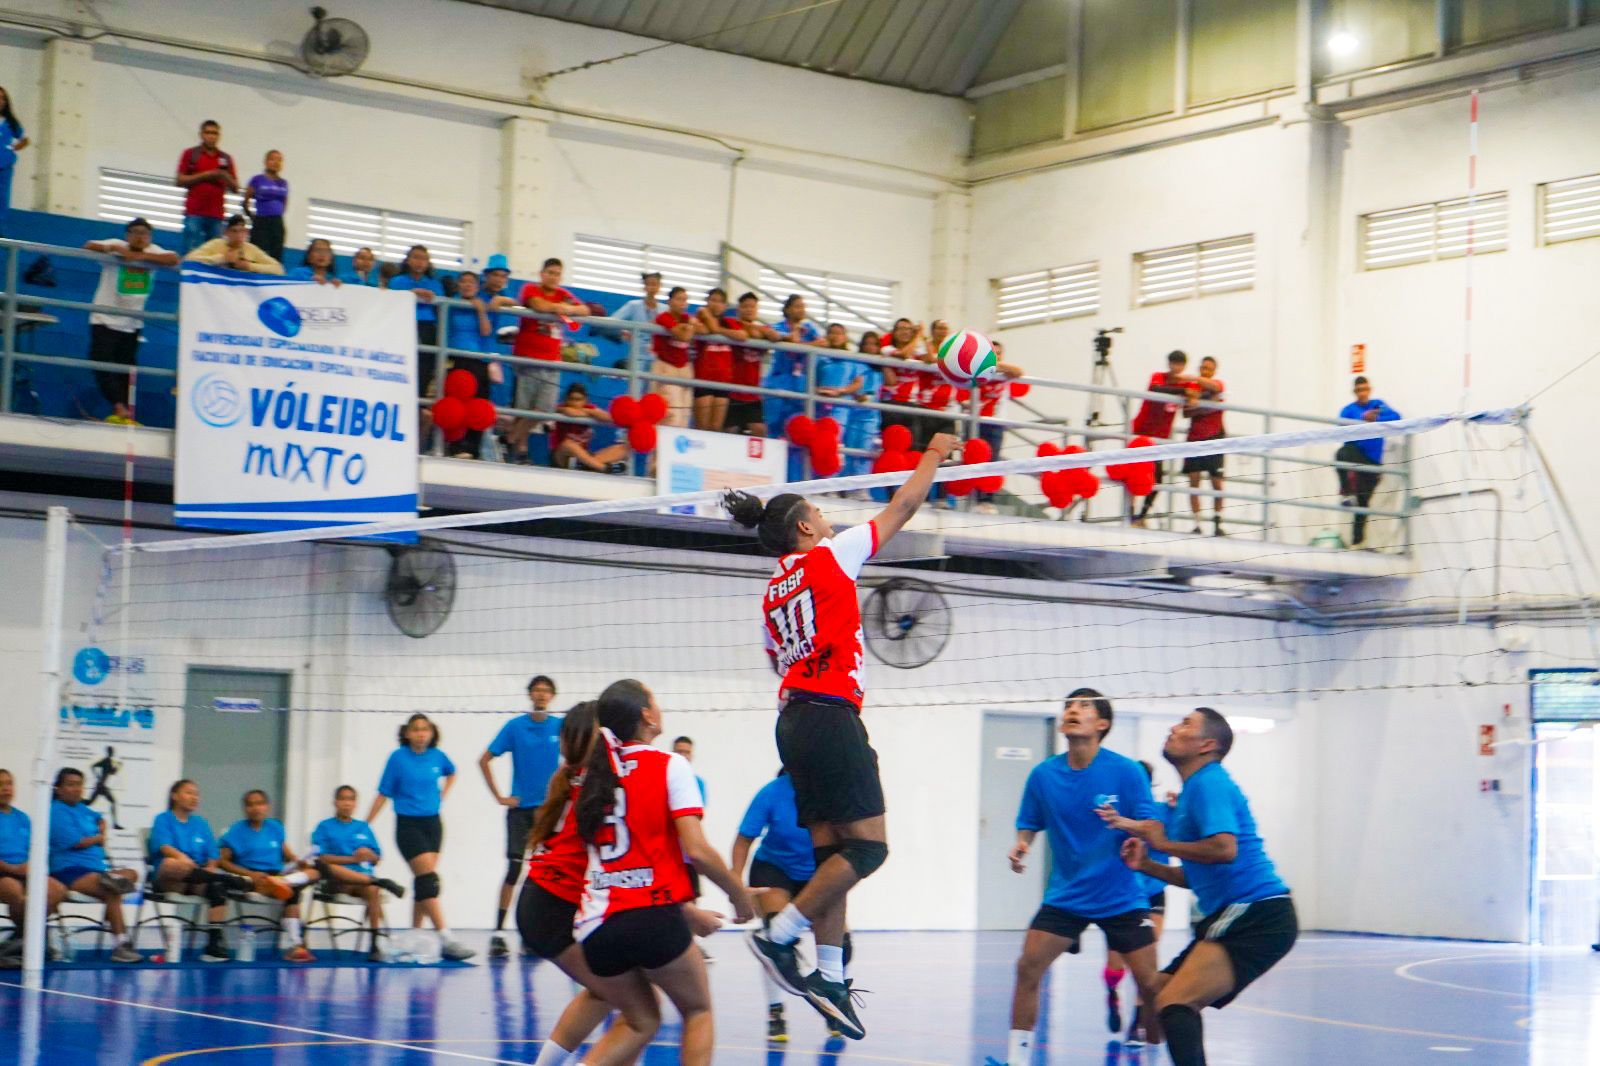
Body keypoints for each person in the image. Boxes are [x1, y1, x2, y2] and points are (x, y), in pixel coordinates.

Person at [730, 428, 963, 1040]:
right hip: (830, 714)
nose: (829, 520)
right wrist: (935, 452)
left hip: (794, 720)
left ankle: (830, 976)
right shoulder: (830, 555)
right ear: (805, 528)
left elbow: (778, 664)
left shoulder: (772, 591)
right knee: (868, 849)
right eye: (821, 514)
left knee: (833, 857)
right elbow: (904, 507)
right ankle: (779, 937)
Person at [570, 678, 755, 1066]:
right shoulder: (671, 766)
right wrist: (738, 892)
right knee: (698, 1011)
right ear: (647, 715)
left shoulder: (590, 777)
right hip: (650, 917)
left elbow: (621, 869)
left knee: (642, 1020)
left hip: (596, 927)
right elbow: (697, 851)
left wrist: (688, 913)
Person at [1099, 709, 1297, 1066]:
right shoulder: (1194, 790)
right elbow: (1198, 876)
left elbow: (1224, 849)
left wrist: (1165, 842)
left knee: (1176, 1003)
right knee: (1158, 991)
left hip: (1256, 913)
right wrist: (1147, 865)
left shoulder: (1209, 783)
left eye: (1186, 725)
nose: (1174, 728)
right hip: (1244, 913)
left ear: (1207, 745)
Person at [1001, 688, 1164, 1066]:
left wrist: (1126, 824)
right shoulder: (1043, 775)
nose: (1072, 710)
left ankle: (1155, 1054)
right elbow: (1029, 824)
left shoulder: (1126, 772)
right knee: (1027, 967)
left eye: (1083, 706)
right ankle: (1017, 1060)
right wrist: (1021, 845)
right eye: (1068, 706)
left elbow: (1151, 826)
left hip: (1121, 896)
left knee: (1152, 987)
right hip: (1066, 897)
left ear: (1102, 724)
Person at [731, 769, 854, 1043]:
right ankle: (775, 1011)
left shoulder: (836, 791)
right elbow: (744, 839)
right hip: (775, 870)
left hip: (818, 874)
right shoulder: (773, 792)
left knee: (842, 946)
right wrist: (736, 886)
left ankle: (833, 1000)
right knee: (777, 944)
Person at [367, 712, 474, 960]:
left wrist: (444, 793)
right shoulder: (397, 758)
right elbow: (383, 793)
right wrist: (365, 823)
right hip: (408, 825)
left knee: (423, 882)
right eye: (415, 729)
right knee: (429, 881)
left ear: (432, 732)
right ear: (407, 733)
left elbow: (452, 771)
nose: (421, 734)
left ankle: (415, 934)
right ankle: (446, 936)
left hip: (433, 824)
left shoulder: (438, 757)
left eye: (425, 729)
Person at [478, 674, 563, 959]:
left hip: (548, 812)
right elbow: (484, 759)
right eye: (537, 691)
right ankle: (499, 934)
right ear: (530, 695)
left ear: (552, 696)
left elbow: (578, 758)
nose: (541, 695)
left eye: (546, 691)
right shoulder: (515, 727)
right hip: (521, 811)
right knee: (514, 870)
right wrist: (500, 796)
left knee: (544, 875)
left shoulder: (559, 727)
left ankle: (532, 935)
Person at [82, 219, 178, 426]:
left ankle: (124, 413)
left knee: (126, 369)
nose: (139, 237)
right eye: (135, 232)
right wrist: (114, 249)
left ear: (150, 237)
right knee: (100, 360)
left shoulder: (153, 251)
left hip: (132, 323)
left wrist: (141, 257)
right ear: (127, 235)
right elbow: (88, 246)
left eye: (144, 233)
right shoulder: (117, 245)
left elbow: (173, 259)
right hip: (104, 318)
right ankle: (118, 406)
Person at [148, 778, 253, 963]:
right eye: (189, 792)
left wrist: (211, 868)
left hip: (197, 879)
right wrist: (184, 859)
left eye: (196, 794)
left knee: (217, 885)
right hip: (171, 881)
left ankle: (213, 947)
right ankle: (230, 879)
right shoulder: (163, 819)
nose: (194, 797)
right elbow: (164, 847)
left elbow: (213, 856)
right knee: (170, 863)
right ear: (175, 796)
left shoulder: (201, 823)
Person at [1110, 761, 1177, 1046]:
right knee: (1114, 967)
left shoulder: (1164, 814)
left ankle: (1137, 1022)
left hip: (1153, 895)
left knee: (1147, 960)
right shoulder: (1114, 816)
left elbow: (1191, 824)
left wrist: (1182, 804)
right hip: (1121, 898)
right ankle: (1110, 993)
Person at [47, 768, 142, 962]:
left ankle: (115, 885)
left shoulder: (82, 809)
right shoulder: (55, 811)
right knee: (111, 889)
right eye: (71, 784)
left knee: (131, 873)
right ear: (59, 788)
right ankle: (121, 944)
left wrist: (101, 827)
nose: (76, 789)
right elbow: (78, 841)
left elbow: (99, 818)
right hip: (69, 871)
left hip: (97, 870)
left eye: (79, 784)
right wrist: (98, 837)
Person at [218, 789, 319, 962]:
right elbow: (222, 862)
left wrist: (299, 861)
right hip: (251, 876)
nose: (255, 808)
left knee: (315, 872)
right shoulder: (235, 831)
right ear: (245, 808)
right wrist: (250, 874)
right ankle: (296, 944)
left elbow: (287, 854)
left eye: (259, 804)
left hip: (278, 875)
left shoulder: (275, 827)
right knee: (292, 892)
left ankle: (283, 882)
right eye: (250, 805)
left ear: (267, 807)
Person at [312, 785, 406, 962]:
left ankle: (374, 943)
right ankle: (379, 881)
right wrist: (352, 859)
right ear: (335, 802)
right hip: (338, 881)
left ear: (355, 804)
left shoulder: (363, 827)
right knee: (329, 868)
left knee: (372, 891)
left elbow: (377, 858)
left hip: (363, 882)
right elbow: (321, 858)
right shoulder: (324, 826)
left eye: (350, 800)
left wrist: (369, 856)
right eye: (343, 799)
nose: (346, 804)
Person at [507, 258, 587, 462]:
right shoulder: (530, 289)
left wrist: (568, 309)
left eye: (557, 273)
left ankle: (510, 439)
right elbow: (537, 305)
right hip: (528, 359)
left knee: (544, 410)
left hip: (552, 361)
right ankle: (519, 448)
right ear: (541, 274)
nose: (553, 277)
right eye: (549, 272)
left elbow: (584, 310)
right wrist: (556, 308)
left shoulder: (563, 295)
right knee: (524, 409)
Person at [442, 269, 506, 459]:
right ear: (459, 285)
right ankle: (455, 446)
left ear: (477, 286)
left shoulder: (483, 303)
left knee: (479, 402)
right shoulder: (451, 303)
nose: (468, 285)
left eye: (472, 282)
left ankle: (473, 447)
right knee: (454, 402)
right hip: (455, 358)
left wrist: (480, 311)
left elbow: (486, 331)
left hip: (477, 359)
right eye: (464, 281)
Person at [0, 768, 62, 961]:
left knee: (56, 889)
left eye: (9, 784)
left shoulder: (22, 818)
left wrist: (33, 867)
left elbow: (35, 849)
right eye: (0, 785)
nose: (6, 789)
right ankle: (31, 939)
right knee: (16, 892)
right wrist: (15, 869)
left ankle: (22, 937)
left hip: (26, 871)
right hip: (4, 872)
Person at [1132, 351, 1195, 527]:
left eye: (1180, 365)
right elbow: (1156, 388)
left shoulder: (1186, 383)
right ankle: (1130, 513)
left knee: (1157, 478)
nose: (1177, 367)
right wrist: (1184, 391)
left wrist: (1192, 401)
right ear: (1169, 364)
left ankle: (1141, 516)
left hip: (1160, 438)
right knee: (1133, 473)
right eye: (1174, 364)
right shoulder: (1158, 377)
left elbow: (1187, 411)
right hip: (1141, 433)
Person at [1336, 377, 1401, 547]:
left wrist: (1376, 417)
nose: (1363, 393)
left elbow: (1396, 416)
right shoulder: (1348, 410)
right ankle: (1346, 492)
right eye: (1359, 390)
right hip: (1357, 455)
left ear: (1370, 389)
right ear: (1355, 392)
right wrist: (1363, 417)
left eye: (1365, 389)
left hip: (1373, 462)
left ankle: (1357, 542)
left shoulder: (1378, 404)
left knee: (1364, 502)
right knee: (1342, 453)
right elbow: (1341, 426)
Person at [388, 245, 444, 414]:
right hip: (404, 325)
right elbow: (391, 303)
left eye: (424, 258)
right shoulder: (397, 281)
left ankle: (418, 404)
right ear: (408, 260)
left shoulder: (434, 284)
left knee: (424, 368)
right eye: (416, 257)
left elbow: (441, 307)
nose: (420, 262)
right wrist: (411, 293)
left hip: (427, 328)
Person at [973, 342, 1025, 511]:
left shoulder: (1004, 372)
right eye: (991, 353)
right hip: (974, 419)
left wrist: (994, 364)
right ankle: (972, 497)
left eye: (998, 353)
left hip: (995, 422)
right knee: (973, 459)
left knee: (992, 460)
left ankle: (986, 499)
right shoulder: (975, 368)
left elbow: (1019, 371)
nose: (995, 356)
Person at [765, 295, 824, 442]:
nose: (802, 310)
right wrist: (805, 343)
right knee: (774, 426)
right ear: (788, 309)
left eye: (803, 306)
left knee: (798, 426)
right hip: (779, 381)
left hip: (800, 384)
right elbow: (791, 340)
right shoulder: (778, 327)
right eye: (797, 306)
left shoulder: (809, 329)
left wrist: (802, 345)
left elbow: (822, 343)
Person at [174, 120, 238, 252]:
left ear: (219, 136)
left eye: (214, 133)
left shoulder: (226, 158)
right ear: (201, 135)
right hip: (194, 212)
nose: (211, 136)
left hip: (216, 215)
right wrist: (207, 175)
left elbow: (236, 188)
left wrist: (224, 175)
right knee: (191, 253)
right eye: (208, 132)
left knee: (213, 255)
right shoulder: (191, 154)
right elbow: (179, 180)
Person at [1181, 357, 1227, 537]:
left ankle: (1217, 523)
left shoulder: (1217, 384)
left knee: (1217, 483)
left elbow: (1216, 391)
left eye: (1208, 368)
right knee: (1194, 483)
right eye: (1202, 368)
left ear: (1214, 371)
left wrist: (1198, 403)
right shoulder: (1193, 388)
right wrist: (1205, 405)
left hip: (1215, 439)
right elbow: (1186, 411)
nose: (1205, 371)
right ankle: (1197, 524)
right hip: (1194, 440)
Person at [723, 292, 777, 436]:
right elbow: (743, 333)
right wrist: (758, 331)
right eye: (745, 306)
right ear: (738, 309)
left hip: (753, 394)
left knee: (759, 430)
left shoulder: (762, 330)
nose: (749, 310)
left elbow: (775, 336)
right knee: (730, 431)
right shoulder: (731, 323)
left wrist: (760, 331)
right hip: (733, 391)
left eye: (752, 307)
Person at [548, 383, 628, 474]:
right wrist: (590, 413)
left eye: (578, 400)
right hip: (561, 456)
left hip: (582, 459)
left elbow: (607, 417)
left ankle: (588, 466)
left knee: (623, 448)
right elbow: (571, 412)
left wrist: (587, 411)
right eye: (571, 399)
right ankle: (605, 468)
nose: (574, 403)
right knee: (569, 444)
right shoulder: (561, 408)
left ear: (585, 400)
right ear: (566, 399)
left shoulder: (589, 408)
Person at [651, 285, 700, 429]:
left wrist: (689, 327)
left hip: (684, 368)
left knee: (684, 416)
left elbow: (702, 329)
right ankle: (660, 450)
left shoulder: (686, 318)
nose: (682, 303)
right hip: (666, 367)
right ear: (670, 301)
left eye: (685, 300)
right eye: (678, 299)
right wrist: (690, 327)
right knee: (672, 416)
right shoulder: (663, 317)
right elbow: (683, 336)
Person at [692, 288, 740, 431]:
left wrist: (719, 330)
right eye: (713, 300)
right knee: (702, 427)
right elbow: (706, 330)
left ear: (725, 306)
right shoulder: (698, 319)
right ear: (707, 302)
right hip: (703, 380)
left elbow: (742, 335)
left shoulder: (729, 322)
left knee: (716, 428)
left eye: (720, 302)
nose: (716, 304)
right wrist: (706, 317)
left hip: (723, 382)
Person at [842, 331, 885, 483]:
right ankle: (842, 484)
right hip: (853, 413)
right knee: (848, 449)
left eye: (874, 344)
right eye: (866, 343)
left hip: (871, 416)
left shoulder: (880, 368)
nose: (870, 347)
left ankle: (859, 487)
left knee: (865, 451)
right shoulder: (855, 363)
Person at [183, 214, 284, 274]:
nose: (238, 235)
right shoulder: (216, 244)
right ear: (226, 232)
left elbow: (278, 269)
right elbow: (188, 259)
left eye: (242, 231)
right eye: (234, 231)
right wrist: (221, 259)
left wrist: (249, 266)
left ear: (246, 232)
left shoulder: (251, 249)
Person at [242, 150, 289, 262]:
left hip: (277, 223)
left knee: (275, 257)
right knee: (256, 254)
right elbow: (245, 202)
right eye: (273, 159)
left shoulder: (284, 183)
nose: (276, 162)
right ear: (266, 162)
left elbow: (284, 203)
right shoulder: (257, 179)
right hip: (261, 221)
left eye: (279, 160)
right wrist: (253, 217)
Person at [0, 86, 28, 237]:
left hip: (4, 165)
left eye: (3, 98)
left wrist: (13, 147)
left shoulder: (10, 122)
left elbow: (24, 140)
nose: (0, 101)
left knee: (2, 197)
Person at [613, 270, 663, 336]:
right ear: (644, 287)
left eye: (654, 284)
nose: (652, 288)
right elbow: (614, 320)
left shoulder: (665, 309)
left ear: (659, 286)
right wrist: (624, 333)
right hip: (638, 345)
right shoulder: (633, 305)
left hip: (657, 346)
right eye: (649, 284)